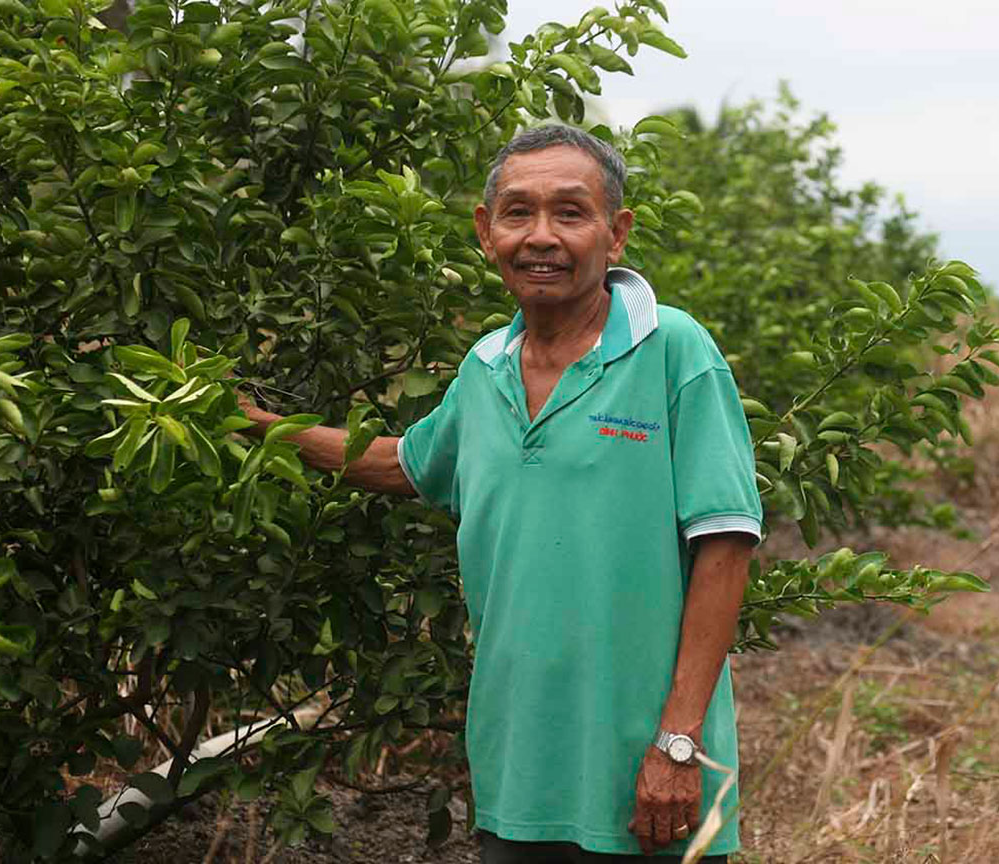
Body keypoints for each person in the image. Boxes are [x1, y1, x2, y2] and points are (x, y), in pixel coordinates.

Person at [237, 124, 762, 862]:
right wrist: (259, 430)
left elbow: (726, 546)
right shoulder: (485, 367)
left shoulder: (674, 351)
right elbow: (401, 464)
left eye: (571, 213)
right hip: (518, 767)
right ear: (487, 233)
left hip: (649, 777)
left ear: (616, 235)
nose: (541, 236)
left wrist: (677, 745)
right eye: (518, 213)